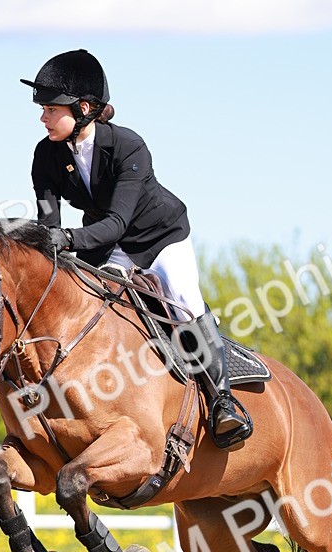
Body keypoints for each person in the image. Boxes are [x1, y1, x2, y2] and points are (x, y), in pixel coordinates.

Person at [21, 48, 252, 448]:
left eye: (50, 108)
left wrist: (70, 240)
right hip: (105, 243)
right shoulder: (46, 154)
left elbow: (117, 223)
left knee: (183, 300)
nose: (42, 116)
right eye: (41, 108)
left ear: (84, 108)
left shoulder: (128, 147)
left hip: (158, 237)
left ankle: (223, 402)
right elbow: (49, 223)